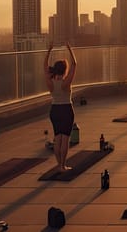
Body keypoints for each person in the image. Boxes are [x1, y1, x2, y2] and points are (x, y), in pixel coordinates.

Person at [44, 42, 77, 172]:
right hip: (66, 110)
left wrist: (49, 50)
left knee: (57, 138)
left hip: (55, 110)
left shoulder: (50, 81)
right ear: (64, 70)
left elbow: (45, 66)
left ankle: (59, 165)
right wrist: (69, 48)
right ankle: (63, 166)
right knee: (65, 139)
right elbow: (75, 64)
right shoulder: (66, 83)